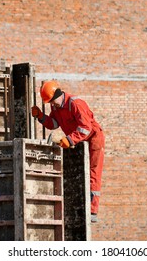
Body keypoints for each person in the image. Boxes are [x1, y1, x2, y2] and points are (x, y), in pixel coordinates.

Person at [31, 80, 105, 223]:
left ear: (58, 95)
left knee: (92, 172)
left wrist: (69, 140)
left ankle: (92, 211)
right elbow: (53, 124)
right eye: (50, 103)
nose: (52, 105)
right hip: (78, 140)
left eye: (52, 101)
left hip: (93, 138)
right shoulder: (57, 108)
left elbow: (85, 128)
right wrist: (40, 116)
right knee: (78, 172)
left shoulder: (75, 103)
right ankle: (80, 206)